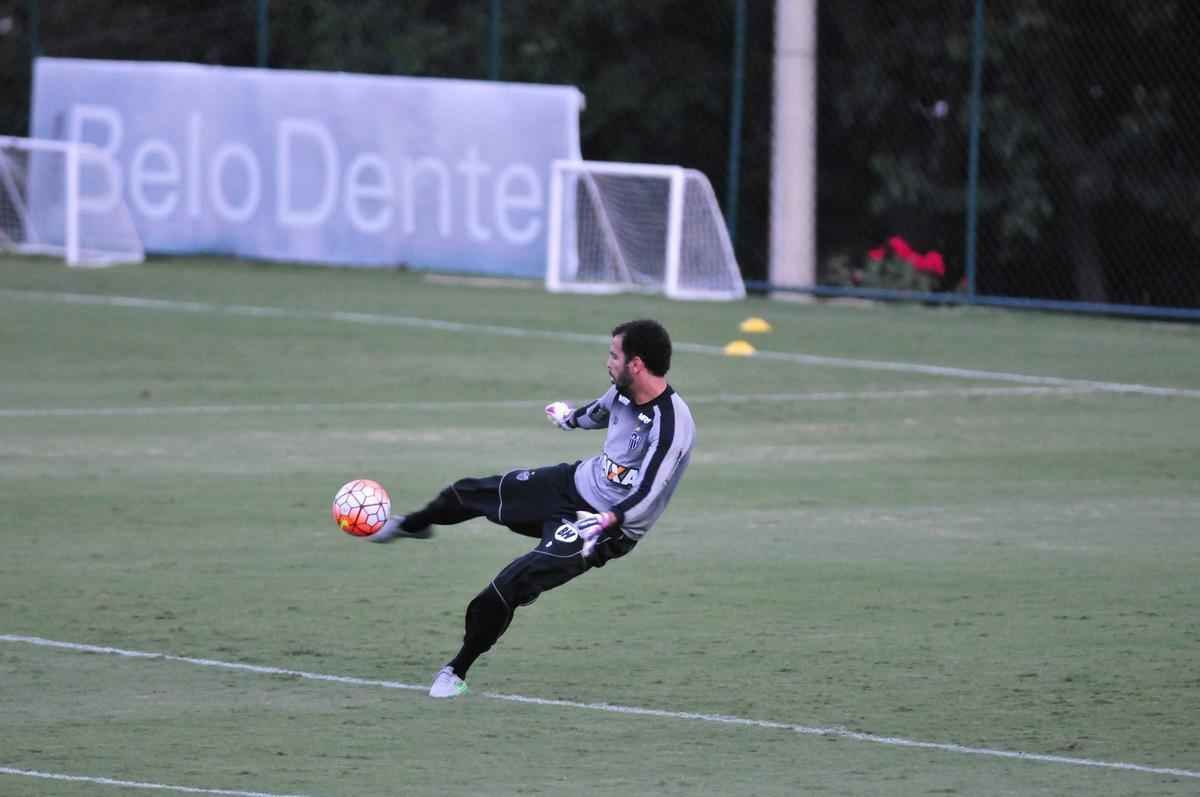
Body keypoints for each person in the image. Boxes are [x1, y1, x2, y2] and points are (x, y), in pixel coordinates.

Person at [361, 319, 695, 698]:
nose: (607, 362)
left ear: (636, 364)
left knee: (508, 585)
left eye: (613, 355)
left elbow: (650, 489)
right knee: (467, 492)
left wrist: (610, 518)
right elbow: (598, 413)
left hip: (602, 528)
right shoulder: (622, 392)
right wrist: (568, 418)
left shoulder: (671, 425)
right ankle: (412, 525)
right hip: (572, 485)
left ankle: (456, 670)